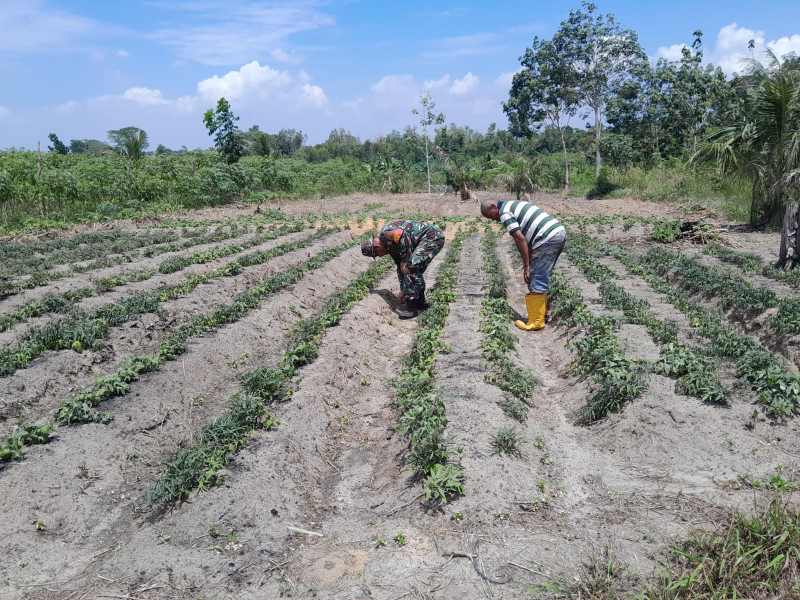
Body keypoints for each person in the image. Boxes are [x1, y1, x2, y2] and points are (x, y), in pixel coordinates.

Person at [480, 200, 566, 331]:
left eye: (491, 216)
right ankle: (542, 313)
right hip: (557, 232)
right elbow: (527, 239)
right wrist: (529, 262)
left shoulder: (504, 212)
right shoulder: (512, 205)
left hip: (546, 237)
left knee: (536, 275)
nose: (493, 220)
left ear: (493, 207)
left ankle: (537, 322)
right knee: (538, 273)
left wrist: (526, 265)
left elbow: (519, 238)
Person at [361, 219, 445, 319]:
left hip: (432, 237)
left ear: (377, 247)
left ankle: (411, 309)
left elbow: (402, 235)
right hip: (426, 240)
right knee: (410, 269)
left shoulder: (387, 234)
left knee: (410, 267)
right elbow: (399, 266)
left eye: (377, 254)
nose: (380, 256)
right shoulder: (389, 246)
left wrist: (406, 259)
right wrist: (403, 290)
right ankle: (420, 304)